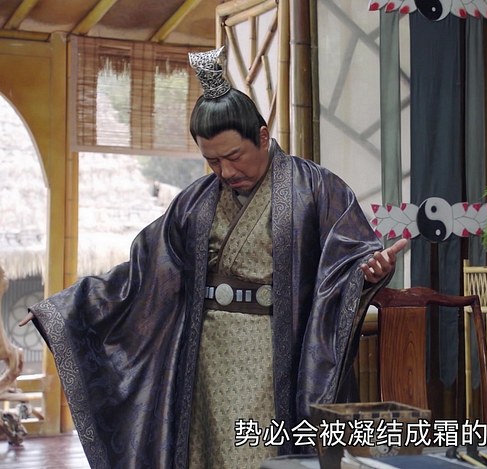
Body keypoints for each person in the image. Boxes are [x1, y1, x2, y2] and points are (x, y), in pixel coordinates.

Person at [21, 47, 407, 468]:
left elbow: (349, 256)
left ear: (263, 137)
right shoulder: (195, 203)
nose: (226, 172)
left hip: (276, 354)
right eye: (212, 161)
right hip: (206, 356)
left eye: (234, 157)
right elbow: (142, 273)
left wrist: (368, 272)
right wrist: (64, 307)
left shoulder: (314, 188)